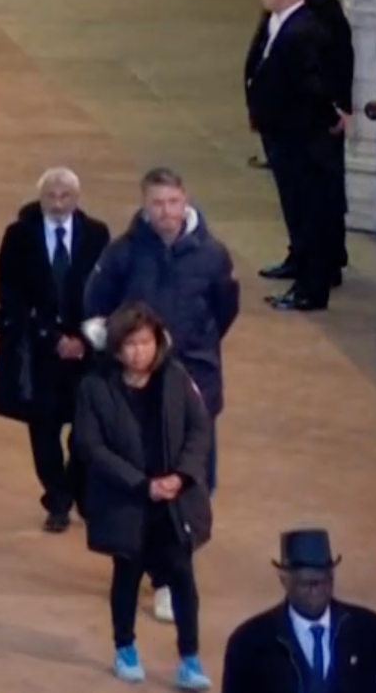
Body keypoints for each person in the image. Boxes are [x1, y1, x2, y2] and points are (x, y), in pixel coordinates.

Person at [75, 302, 214, 688]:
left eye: (146, 342)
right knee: (126, 576)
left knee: (183, 579)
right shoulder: (95, 386)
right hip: (128, 501)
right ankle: (125, 648)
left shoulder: (175, 377)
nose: (140, 351)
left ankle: (189, 658)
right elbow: (91, 445)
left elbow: (199, 429)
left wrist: (182, 476)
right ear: (116, 348)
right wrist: (141, 483)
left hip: (174, 503)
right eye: (131, 344)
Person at [84, 168, 239, 511]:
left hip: (196, 372)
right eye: (158, 203)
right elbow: (97, 305)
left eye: (173, 202)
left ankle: (188, 525)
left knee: (198, 456)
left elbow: (225, 308)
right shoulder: (122, 253)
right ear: (144, 206)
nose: (166, 211)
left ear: (185, 201)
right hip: (140, 378)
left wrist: (197, 342)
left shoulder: (213, 255)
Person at [0, 167, 111, 532]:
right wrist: (53, 337)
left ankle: (77, 489)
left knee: (86, 431)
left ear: (77, 199)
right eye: (51, 197)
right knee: (43, 430)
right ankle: (57, 499)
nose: (58, 204)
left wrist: (84, 340)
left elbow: (107, 291)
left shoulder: (97, 235)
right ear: (40, 198)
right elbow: (9, 293)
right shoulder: (18, 235)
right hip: (38, 351)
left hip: (85, 352)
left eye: (66, 197)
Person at [248, 0, 350, 312]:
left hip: (303, 139)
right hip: (284, 134)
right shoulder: (282, 23)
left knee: (311, 213)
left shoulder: (303, 30)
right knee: (298, 210)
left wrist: (330, 117)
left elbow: (313, 85)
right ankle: (302, 277)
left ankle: (311, 287)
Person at [218, 529, 376, 693]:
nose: (316, 591)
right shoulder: (249, 643)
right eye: (306, 584)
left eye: (324, 581)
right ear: (284, 580)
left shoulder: (369, 631)